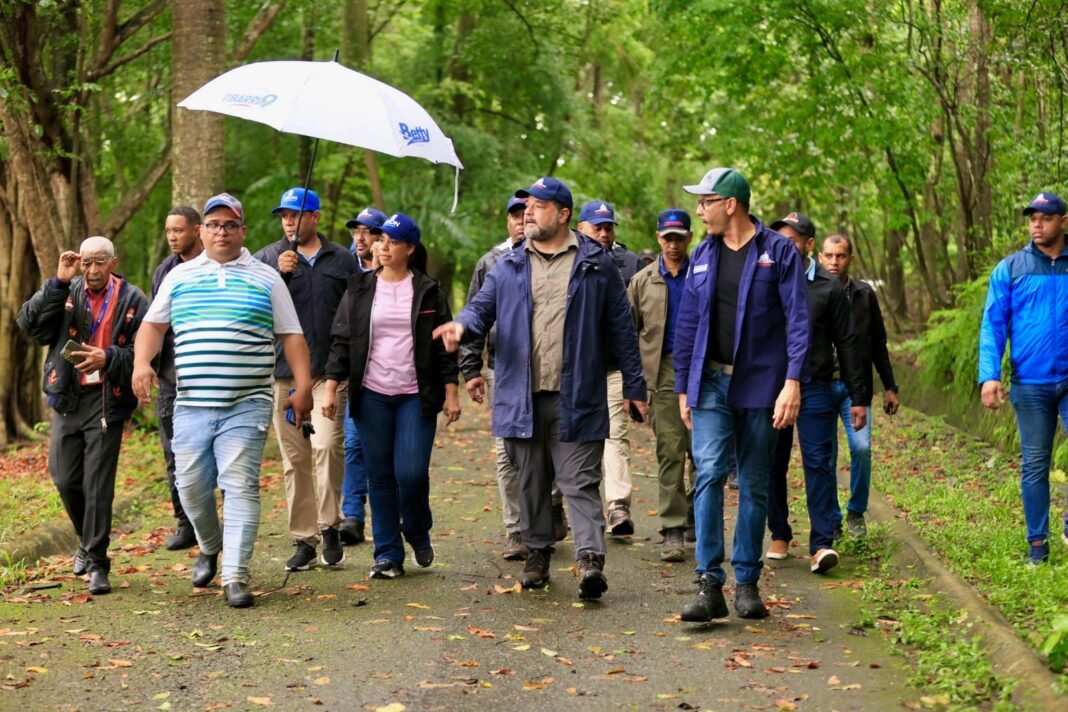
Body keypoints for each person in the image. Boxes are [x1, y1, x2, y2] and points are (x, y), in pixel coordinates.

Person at [435, 177, 649, 600]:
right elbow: (482, 306)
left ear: (564, 213)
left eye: (538, 205)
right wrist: (463, 326)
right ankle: (537, 554)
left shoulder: (596, 264)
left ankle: (590, 561)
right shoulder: (509, 265)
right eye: (526, 205)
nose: (528, 212)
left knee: (579, 480)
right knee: (530, 480)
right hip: (521, 395)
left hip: (578, 392)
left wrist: (634, 384)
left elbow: (622, 328)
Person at [132, 192, 313, 608]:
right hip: (192, 403)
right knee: (190, 487)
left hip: (246, 403)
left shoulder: (265, 277)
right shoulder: (179, 277)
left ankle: (235, 575)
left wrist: (302, 387)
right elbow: (153, 326)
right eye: (214, 224)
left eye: (230, 225)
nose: (222, 231)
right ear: (202, 230)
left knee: (240, 486)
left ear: (243, 231)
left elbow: (292, 336)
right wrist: (142, 363)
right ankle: (210, 545)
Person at [673, 168, 809, 622]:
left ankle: (746, 583)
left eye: (706, 201)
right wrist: (682, 387)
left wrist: (792, 382)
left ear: (730, 204)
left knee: (753, 482)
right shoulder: (701, 255)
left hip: (763, 386)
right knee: (709, 472)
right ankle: (709, 583)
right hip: (710, 383)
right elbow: (687, 324)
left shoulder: (780, 252)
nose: (699, 210)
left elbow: (797, 321)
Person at [323, 213, 461, 579]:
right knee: (380, 476)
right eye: (380, 240)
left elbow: (445, 348)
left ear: (410, 249)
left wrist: (452, 392)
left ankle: (417, 528)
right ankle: (387, 554)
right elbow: (341, 340)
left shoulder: (429, 290)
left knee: (411, 473)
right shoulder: (360, 287)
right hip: (371, 394)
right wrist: (332, 386)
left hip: (416, 396)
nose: (382, 247)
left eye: (392, 242)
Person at [17, 237, 149, 596]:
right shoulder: (68, 290)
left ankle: (97, 561)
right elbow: (30, 325)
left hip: (107, 398)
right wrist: (58, 282)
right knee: (64, 478)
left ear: (113, 262)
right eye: (86, 263)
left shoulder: (133, 299)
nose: (92, 270)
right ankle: (85, 542)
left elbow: (146, 350)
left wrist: (109, 356)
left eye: (99, 262)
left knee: (97, 484)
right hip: (68, 396)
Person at [254, 187, 358, 571]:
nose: (289, 222)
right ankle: (303, 539)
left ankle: (330, 525)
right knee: (294, 459)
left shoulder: (342, 259)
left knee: (328, 447)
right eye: (283, 215)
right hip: (284, 375)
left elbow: (354, 315)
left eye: (297, 214)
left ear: (315, 217)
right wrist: (277, 277)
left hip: (330, 375)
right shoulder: (266, 260)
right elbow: (255, 314)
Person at [461, 194, 568, 560]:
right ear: (508, 221)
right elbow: (476, 315)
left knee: (549, 452)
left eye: (530, 212)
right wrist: (471, 368)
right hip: (503, 370)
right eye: (516, 214)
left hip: (549, 370)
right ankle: (516, 529)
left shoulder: (562, 257)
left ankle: (549, 504)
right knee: (508, 454)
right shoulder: (492, 262)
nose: (523, 219)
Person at [764, 212, 867, 574]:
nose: (783, 247)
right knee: (772, 462)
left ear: (809, 245)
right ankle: (779, 532)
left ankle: (821, 542)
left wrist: (859, 396)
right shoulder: (764, 278)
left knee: (818, 463)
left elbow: (849, 343)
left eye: (791, 240)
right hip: (773, 387)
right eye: (778, 239)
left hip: (816, 386)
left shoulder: (828, 287)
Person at [980, 191, 1068, 565]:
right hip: (1029, 383)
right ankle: (1038, 545)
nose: (1037, 224)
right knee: (1035, 464)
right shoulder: (1011, 268)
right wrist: (989, 375)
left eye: (1045, 218)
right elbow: (993, 324)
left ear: (1062, 221)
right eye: (1032, 217)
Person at [818, 232, 900, 539]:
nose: (834, 262)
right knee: (824, 454)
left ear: (850, 259)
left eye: (840, 256)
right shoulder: (811, 291)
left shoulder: (865, 295)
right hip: (822, 386)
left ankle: (855, 511)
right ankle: (830, 517)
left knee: (862, 448)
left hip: (857, 389)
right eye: (829, 256)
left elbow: (878, 343)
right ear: (820, 257)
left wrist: (890, 386)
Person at [627, 209, 695, 561]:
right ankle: (672, 529)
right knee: (670, 449)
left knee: (703, 451)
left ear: (689, 238)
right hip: (662, 371)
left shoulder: (703, 274)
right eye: (667, 237)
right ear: (658, 239)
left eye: (679, 237)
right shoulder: (642, 282)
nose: (673, 244)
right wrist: (634, 388)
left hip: (702, 369)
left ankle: (696, 519)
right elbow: (627, 336)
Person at [577, 200, 644, 536]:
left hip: (615, 367)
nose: (604, 233)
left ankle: (618, 506)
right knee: (573, 440)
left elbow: (636, 326)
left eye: (608, 227)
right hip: (576, 369)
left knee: (615, 436)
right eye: (596, 227)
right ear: (580, 228)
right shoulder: (568, 261)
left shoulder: (631, 264)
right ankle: (562, 507)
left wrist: (637, 381)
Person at [152, 206, 203, 551]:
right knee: (174, 453)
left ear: (197, 231)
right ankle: (185, 523)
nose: (172, 237)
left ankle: (214, 522)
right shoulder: (164, 272)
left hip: (209, 373)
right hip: (171, 376)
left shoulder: (213, 266)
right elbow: (155, 324)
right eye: (169, 231)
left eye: (179, 230)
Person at [338, 206, 388, 546]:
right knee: (353, 444)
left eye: (368, 232)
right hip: (353, 376)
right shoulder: (343, 271)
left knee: (386, 452)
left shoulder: (401, 276)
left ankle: (392, 515)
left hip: (393, 379)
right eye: (356, 231)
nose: (360, 237)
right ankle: (352, 516)